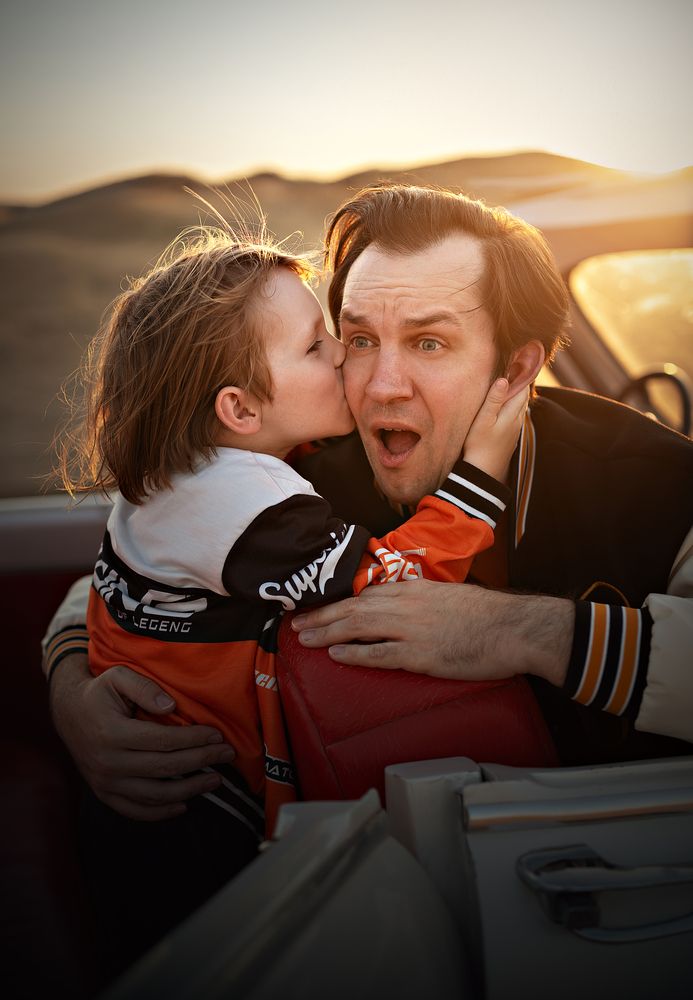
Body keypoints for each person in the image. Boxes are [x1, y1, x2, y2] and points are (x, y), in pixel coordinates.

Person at [44, 184, 693, 834]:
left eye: (428, 343)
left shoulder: (658, 484)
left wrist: (534, 633)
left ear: (517, 367)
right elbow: (141, 567)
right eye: (357, 339)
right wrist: (74, 690)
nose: (380, 386)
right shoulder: (296, 462)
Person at [51, 217, 526, 970]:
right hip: (191, 818)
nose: (343, 357)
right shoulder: (248, 508)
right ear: (239, 409)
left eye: (339, 335)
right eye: (318, 345)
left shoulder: (188, 468)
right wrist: (481, 475)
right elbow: (393, 580)